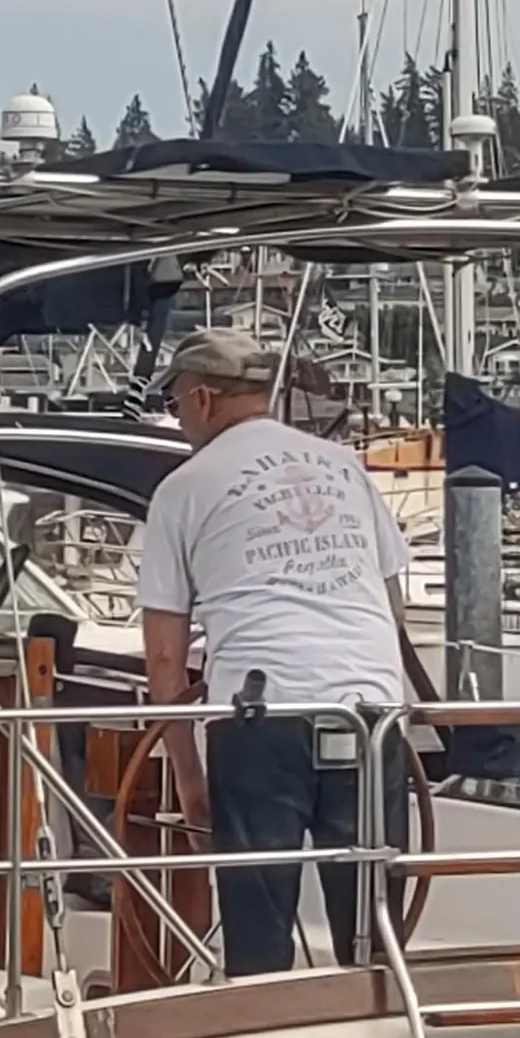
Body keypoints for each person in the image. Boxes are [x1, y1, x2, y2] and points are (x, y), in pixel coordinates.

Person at [136, 327, 417, 975]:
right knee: (372, 933)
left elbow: (164, 660)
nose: (178, 419)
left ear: (203, 397)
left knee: (259, 938)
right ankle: (376, 1036)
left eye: (177, 403)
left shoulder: (183, 488)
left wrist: (188, 775)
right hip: (371, 715)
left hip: (264, 721)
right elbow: (391, 608)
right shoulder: (344, 467)